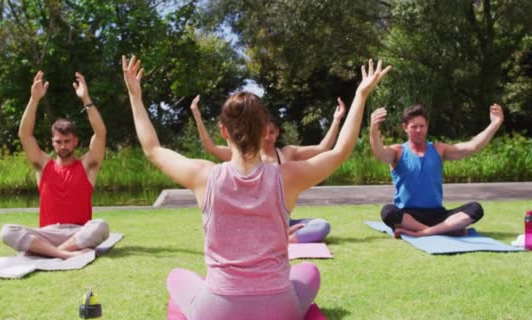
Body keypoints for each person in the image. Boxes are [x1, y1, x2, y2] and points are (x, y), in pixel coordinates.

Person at [122, 55, 390, 319]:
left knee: (177, 276)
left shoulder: (203, 176)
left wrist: (135, 95)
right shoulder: (287, 177)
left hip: (217, 311)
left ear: (224, 132)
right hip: (279, 308)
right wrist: (361, 95)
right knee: (309, 271)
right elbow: (340, 151)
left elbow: (153, 149)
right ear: (264, 130)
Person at [190, 94, 347, 243]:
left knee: (321, 225)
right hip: (257, 224)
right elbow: (211, 148)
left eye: (272, 132)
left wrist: (336, 119)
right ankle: (279, 238)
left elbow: (323, 148)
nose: (268, 137)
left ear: (277, 132)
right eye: (263, 133)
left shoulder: (287, 152)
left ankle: (286, 239)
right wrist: (197, 117)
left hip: (283, 222)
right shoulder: (247, 157)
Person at [0, 71, 109, 259]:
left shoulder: (87, 165)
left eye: (67, 141)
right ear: (52, 142)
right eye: (58, 142)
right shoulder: (43, 165)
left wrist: (86, 99)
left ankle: (54, 253)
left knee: (101, 226)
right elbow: (25, 135)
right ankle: (63, 254)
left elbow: (100, 134)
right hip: (47, 234)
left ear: (75, 141)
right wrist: (34, 99)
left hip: (77, 233)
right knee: (7, 231)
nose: (63, 146)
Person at [370, 103, 504, 237]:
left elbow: (472, 146)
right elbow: (380, 153)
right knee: (387, 212)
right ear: (405, 127)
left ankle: (424, 232)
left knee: (475, 209)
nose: (418, 130)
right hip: (408, 216)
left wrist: (495, 124)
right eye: (414, 126)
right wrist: (374, 129)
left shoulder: (438, 150)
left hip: (438, 215)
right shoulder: (398, 152)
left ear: (427, 126)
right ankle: (439, 230)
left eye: (422, 126)